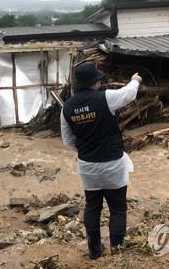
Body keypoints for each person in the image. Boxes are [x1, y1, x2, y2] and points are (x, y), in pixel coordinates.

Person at [60, 62, 142, 259]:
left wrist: (87, 150)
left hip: (87, 166)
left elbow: (68, 141)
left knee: (92, 206)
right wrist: (135, 80)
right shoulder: (105, 98)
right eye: (98, 79)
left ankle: (94, 251)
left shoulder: (67, 107)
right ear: (95, 82)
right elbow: (128, 94)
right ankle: (117, 250)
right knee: (118, 208)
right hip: (113, 163)